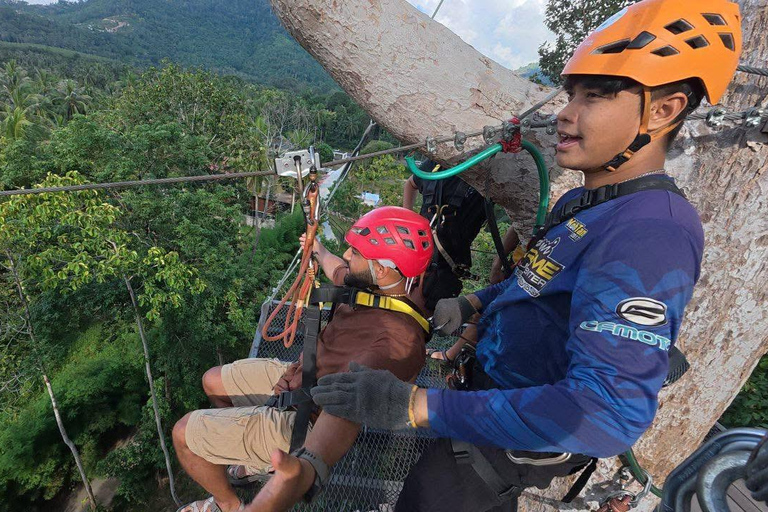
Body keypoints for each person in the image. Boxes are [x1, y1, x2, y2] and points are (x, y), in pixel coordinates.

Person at [311, 1, 742, 511]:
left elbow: (605, 414)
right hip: (482, 403)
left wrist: (417, 403)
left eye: (596, 96)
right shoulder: (584, 202)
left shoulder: (650, 232)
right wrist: (476, 303)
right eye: (571, 92)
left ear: (665, 110)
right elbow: (537, 282)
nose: (567, 112)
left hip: (503, 441)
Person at [172, 206, 433, 512]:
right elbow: (336, 267)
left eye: (356, 252)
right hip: (303, 374)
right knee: (213, 382)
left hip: (306, 421)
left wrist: (310, 464)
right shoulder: (368, 287)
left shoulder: (397, 342)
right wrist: (318, 250)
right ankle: (257, 458)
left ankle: (227, 505)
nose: (347, 256)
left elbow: (353, 405)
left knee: (183, 434)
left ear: (384, 268)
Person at [403, 159, 486, 313]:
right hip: (421, 253)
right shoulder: (437, 164)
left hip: (445, 265)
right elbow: (411, 183)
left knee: (424, 309)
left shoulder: (485, 169)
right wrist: (407, 221)